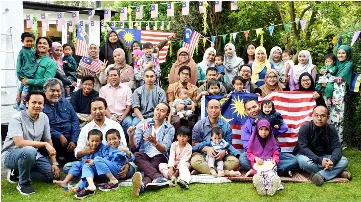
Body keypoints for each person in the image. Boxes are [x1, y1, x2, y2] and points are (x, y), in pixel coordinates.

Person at [2, 91, 60, 195]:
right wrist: (44, 144)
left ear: (43, 105)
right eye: (34, 102)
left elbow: (48, 140)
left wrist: (54, 162)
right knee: (29, 150)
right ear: (27, 103)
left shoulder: (44, 117)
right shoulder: (16, 118)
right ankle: (23, 183)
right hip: (11, 154)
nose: (37, 105)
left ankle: (18, 172)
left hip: (33, 154)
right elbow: (20, 143)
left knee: (52, 175)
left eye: (40, 103)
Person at [71, 97, 134, 180]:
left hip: (112, 162)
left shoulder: (115, 125)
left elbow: (123, 148)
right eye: (94, 109)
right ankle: (101, 175)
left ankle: (93, 176)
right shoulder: (86, 129)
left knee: (129, 169)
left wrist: (126, 164)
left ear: (105, 109)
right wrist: (84, 152)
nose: (97, 112)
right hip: (92, 163)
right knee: (68, 167)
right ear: (90, 111)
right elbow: (78, 152)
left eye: (100, 108)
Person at [294, 105, 351, 186]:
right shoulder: (304, 128)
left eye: (323, 116)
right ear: (312, 116)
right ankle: (337, 172)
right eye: (316, 115)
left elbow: (337, 147)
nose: (319, 118)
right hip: (307, 157)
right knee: (302, 161)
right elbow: (303, 148)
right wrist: (319, 161)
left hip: (325, 157)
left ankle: (321, 175)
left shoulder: (331, 129)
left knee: (344, 161)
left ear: (327, 117)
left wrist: (333, 161)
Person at [239, 99, 297, 176]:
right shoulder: (246, 127)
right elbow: (246, 147)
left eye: (254, 107)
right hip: (257, 156)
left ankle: (259, 170)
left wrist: (269, 130)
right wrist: (257, 156)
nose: (253, 110)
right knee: (243, 158)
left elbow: (284, 127)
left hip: (272, 154)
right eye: (249, 109)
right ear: (246, 112)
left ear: (259, 106)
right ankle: (278, 170)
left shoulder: (272, 116)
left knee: (293, 160)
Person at [128, 103, 175, 197]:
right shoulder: (144, 123)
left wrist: (155, 142)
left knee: (152, 165)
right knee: (136, 155)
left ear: (166, 114)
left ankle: (142, 185)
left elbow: (164, 149)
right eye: (157, 109)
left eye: (162, 111)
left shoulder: (169, 128)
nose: (158, 112)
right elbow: (134, 146)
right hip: (144, 154)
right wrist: (131, 136)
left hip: (159, 156)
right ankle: (157, 177)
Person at [54, 129, 108, 199]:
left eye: (97, 141)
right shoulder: (87, 148)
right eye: (92, 141)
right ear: (88, 140)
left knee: (86, 173)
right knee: (77, 164)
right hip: (87, 167)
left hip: (97, 170)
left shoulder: (103, 148)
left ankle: (78, 187)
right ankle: (65, 181)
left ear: (101, 141)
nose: (94, 143)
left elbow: (104, 160)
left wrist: (94, 161)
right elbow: (83, 160)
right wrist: (86, 153)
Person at [191, 99, 240, 174]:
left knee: (235, 162)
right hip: (203, 155)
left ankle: (205, 170)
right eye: (211, 107)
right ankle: (224, 171)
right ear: (207, 109)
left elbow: (228, 145)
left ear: (220, 109)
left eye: (216, 107)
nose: (214, 110)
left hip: (221, 156)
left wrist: (224, 152)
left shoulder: (226, 126)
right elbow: (194, 144)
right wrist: (207, 149)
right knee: (194, 162)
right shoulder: (199, 125)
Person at [42, 78, 80, 164]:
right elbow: (42, 126)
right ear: (45, 91)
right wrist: (58, 135)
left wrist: (74, 140)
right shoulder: (41, 105)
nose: (56, 93)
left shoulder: (66, 102)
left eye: (58, 91)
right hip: (52, 140)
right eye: (52, 91)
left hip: (70, 139)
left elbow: (75, 121)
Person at [247, 120, 281, 196]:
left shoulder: (271, 140)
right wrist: (255, 158)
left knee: (271, 172)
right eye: (261, 129)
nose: (263, 132)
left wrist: (275, 160)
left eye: (266, 129)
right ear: (257, 129)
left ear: (269, 130)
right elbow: (249, 153)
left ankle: (272, 186)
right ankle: (260, 186)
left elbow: (276, 153)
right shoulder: (253, 140)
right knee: (259, 173)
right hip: (258, 162)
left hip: (268, 162)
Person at [99, 67, 133, 139]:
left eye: (115, 75)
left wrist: (122, 117)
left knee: (129, 123)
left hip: (124, 115)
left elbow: (129, 106)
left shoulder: (126, 88)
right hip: (108, 115)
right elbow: (103, 106)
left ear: (119, 76)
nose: (113, 77)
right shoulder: (103, 89)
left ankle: (125, 142)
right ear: (108, 77)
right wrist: (111, 117)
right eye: (111, 75)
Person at [329, 45, 353, 144]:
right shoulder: (337, 64)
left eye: (343, 53)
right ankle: (329, 141)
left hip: (340, 93)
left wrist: (328, 78)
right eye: (339, 53)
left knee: (339, 118)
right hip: (332, 93)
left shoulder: (349, 64)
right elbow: (329, 72)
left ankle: (338, 142)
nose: (340, 55)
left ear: (347, 54)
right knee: (331, 116)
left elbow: (340, 79)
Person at [15, 32, 37, 111]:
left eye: (31, 41)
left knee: (21, 90)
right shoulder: (22, 52)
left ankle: (17, 104)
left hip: (30, 75)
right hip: (25, 76)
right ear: (22, 41)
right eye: (27, 41)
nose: (29, 43)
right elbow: (18, 65)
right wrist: (20, 77)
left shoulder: (32, 51)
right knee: (25, 90)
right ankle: (22, 104)